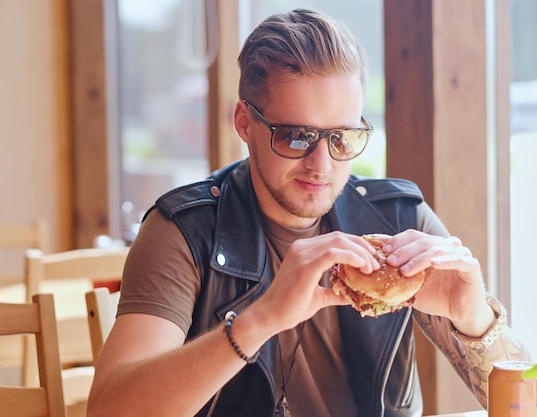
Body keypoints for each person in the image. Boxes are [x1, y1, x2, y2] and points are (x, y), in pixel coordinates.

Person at [87, 8, 530, 417]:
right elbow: (110, 410)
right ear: (244, 122)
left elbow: (524, 405)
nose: (322, 165)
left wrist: (476, 320)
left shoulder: (398, 221)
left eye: (342, 138)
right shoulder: (184, 231)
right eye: (298, 136)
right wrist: (258, 321)